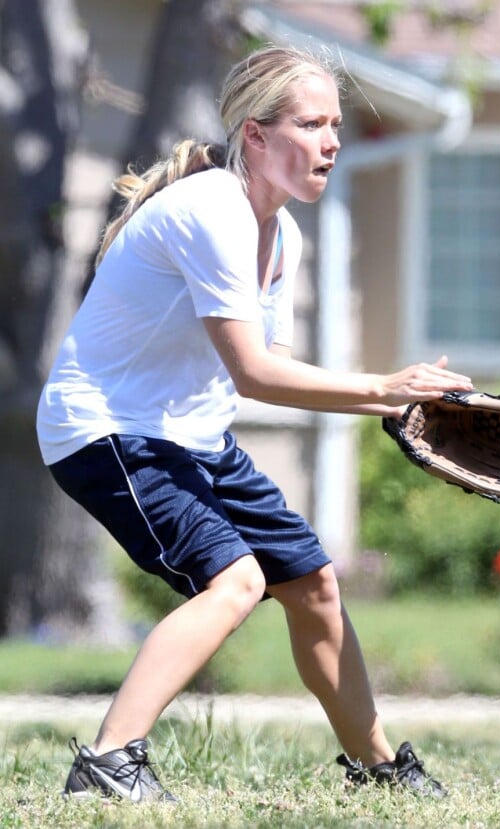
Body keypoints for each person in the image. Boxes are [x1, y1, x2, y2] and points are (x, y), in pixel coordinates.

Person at [36, 44, 473, 803]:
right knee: (236, 581)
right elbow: (255, 372)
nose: (333, 140)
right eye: (312, 122)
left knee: (312, 585)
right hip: (107, 430)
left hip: (191, 435)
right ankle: (107, 762)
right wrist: (383, 386)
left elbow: (267, 367)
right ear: (257, 134)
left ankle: (378, 770)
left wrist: (395, 402)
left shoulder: (284, 235)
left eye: (337, 123)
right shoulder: (210, 209)